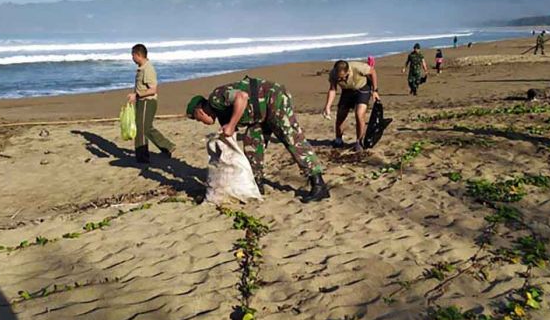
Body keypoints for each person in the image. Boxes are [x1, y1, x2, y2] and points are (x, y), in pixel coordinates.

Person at [186, 76, 329, 203]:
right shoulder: (221, 114)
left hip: (273, 99)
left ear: (200, 110)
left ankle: (318, 184)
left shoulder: (216, 98)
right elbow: (231, 137)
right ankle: (256, 184)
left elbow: (241, 97)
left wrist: (231, 125)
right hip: (258, 115)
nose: (201, 122)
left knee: (291, 139)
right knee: (252, 143)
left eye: (198, 119)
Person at [126, 44, 175, 163]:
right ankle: (159, 150)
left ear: (138, 55)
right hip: (142, 102)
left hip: (148, 102)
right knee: (142, 127)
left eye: (133, 55)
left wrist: (136, 95)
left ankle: (162, 148)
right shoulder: (141, 68)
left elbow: (153, 89)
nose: (132, 58)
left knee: (144, 128)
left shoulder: (148, 69)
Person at [322, 60, 380, 152]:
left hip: (362, 88)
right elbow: (332, 90)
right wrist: (327, 106)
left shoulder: (358, 67)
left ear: (348, 71)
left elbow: (372, 71)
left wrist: (375, 90)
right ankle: (338, 139)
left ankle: (359, 141)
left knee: (359, 114)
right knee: (341, 114)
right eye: (339, 78)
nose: (342, 80)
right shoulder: (333, 74)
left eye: (344, 77)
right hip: (347, 91)